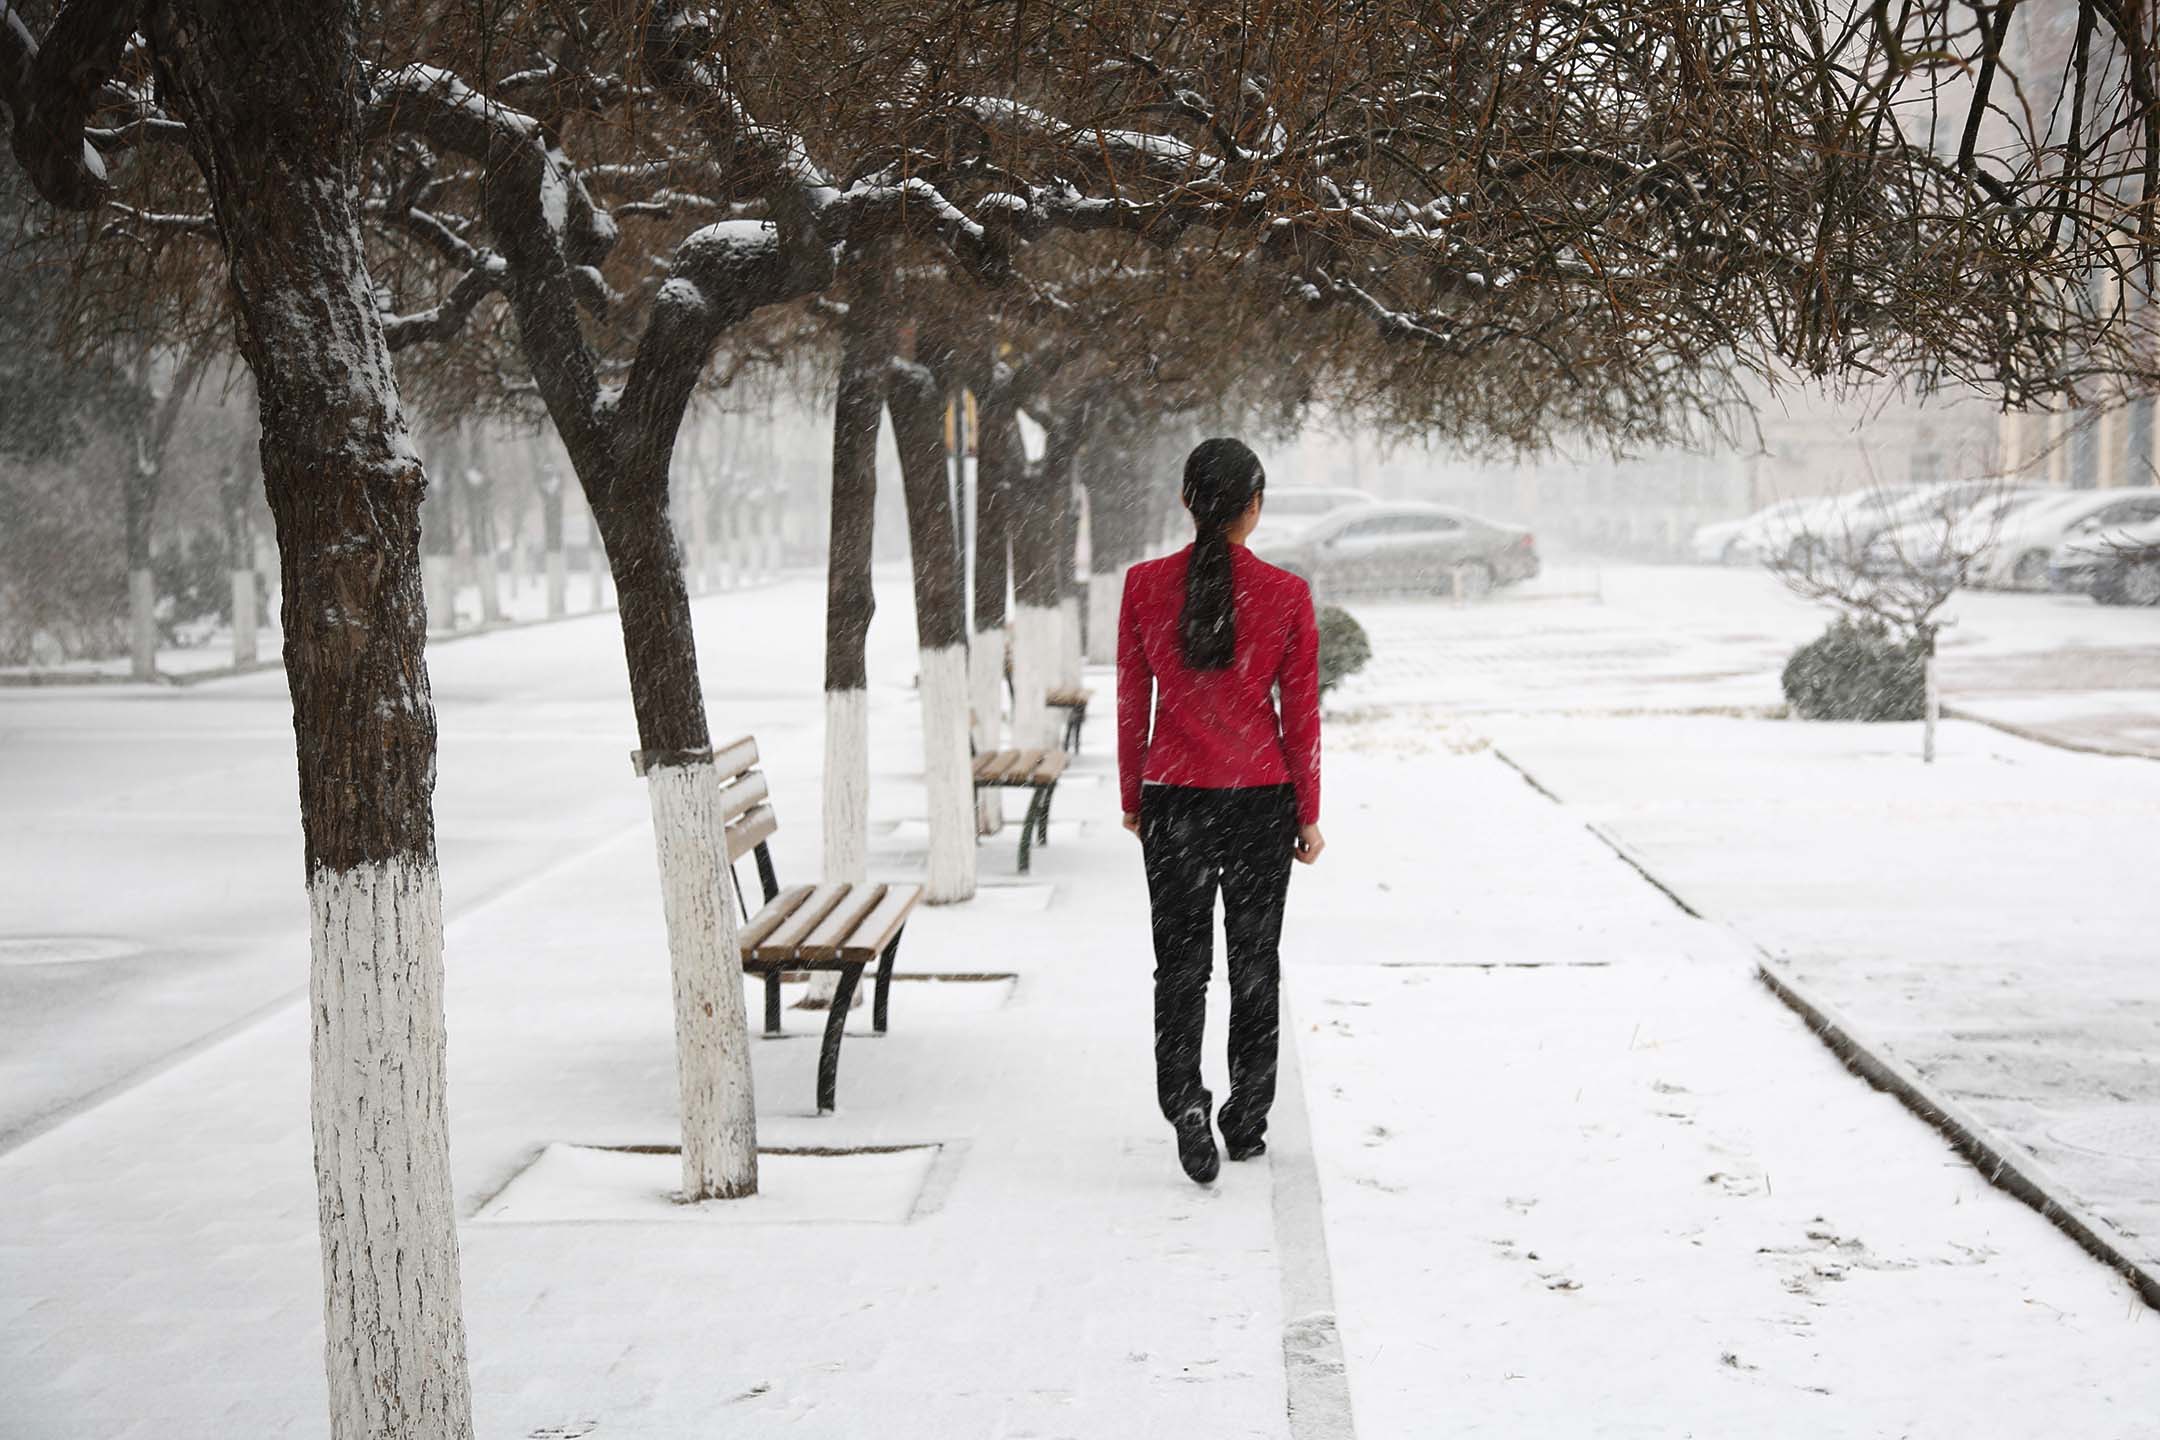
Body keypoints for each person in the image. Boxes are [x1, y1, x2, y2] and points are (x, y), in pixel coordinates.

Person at [1117, 437, 1324, 1186]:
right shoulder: (1287, 595)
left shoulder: (1143, 586)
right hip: (1261, 803)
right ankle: (1246, 1115)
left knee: (1180, 967)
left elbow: (1131, 700)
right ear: (1255, 508)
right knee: (1253, 963)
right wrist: (1309, 810)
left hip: (1173, 798)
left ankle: (1186, 1105)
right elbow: (1300, 713)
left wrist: (1132, 794)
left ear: (1186, 502)